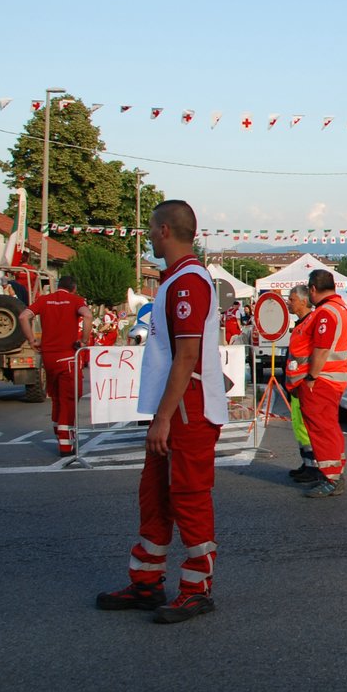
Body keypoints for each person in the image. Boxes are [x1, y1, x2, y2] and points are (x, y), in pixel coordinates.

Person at [96, 199, 225, 624]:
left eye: (151, 229)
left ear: (166, 230)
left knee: (188, 497)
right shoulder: (176, 280)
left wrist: (165, 417)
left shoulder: (188, 281)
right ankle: (147, 582)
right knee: (154, 498)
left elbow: (187, 355)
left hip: (187, 409)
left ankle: (196, 589)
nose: (149, 236)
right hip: (173, 409)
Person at [22, 273, 92, 459]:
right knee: (69, 398)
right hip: (68, 356)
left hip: (48, 357)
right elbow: (87, 315)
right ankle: (66, 444)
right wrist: (83, 340)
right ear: (74, 288)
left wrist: (31, 340)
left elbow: (23, 316)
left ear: (57, 286)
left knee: (56, 397)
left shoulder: (44, 300)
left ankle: (58, 431)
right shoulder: (76, 300)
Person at [298, 268, 347, 498]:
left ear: (312, 289)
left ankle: (331, 478)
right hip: (335, 377)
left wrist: (310, 377)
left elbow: (321, 348)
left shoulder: (326, 312)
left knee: (322, 430)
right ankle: (334, 472)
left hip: (323, 379)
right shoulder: (341, 308)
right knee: (329, 428)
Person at [282, 285, 320, 483]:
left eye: (292, 299)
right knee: (299, 425)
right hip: (295, 384)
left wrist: (308, 379)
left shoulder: (311, 322)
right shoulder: (300, 324)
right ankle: (307, 463)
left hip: (304, 384)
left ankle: (314, 466)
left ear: (304, 301)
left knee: (307, 427)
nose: (289, 302)